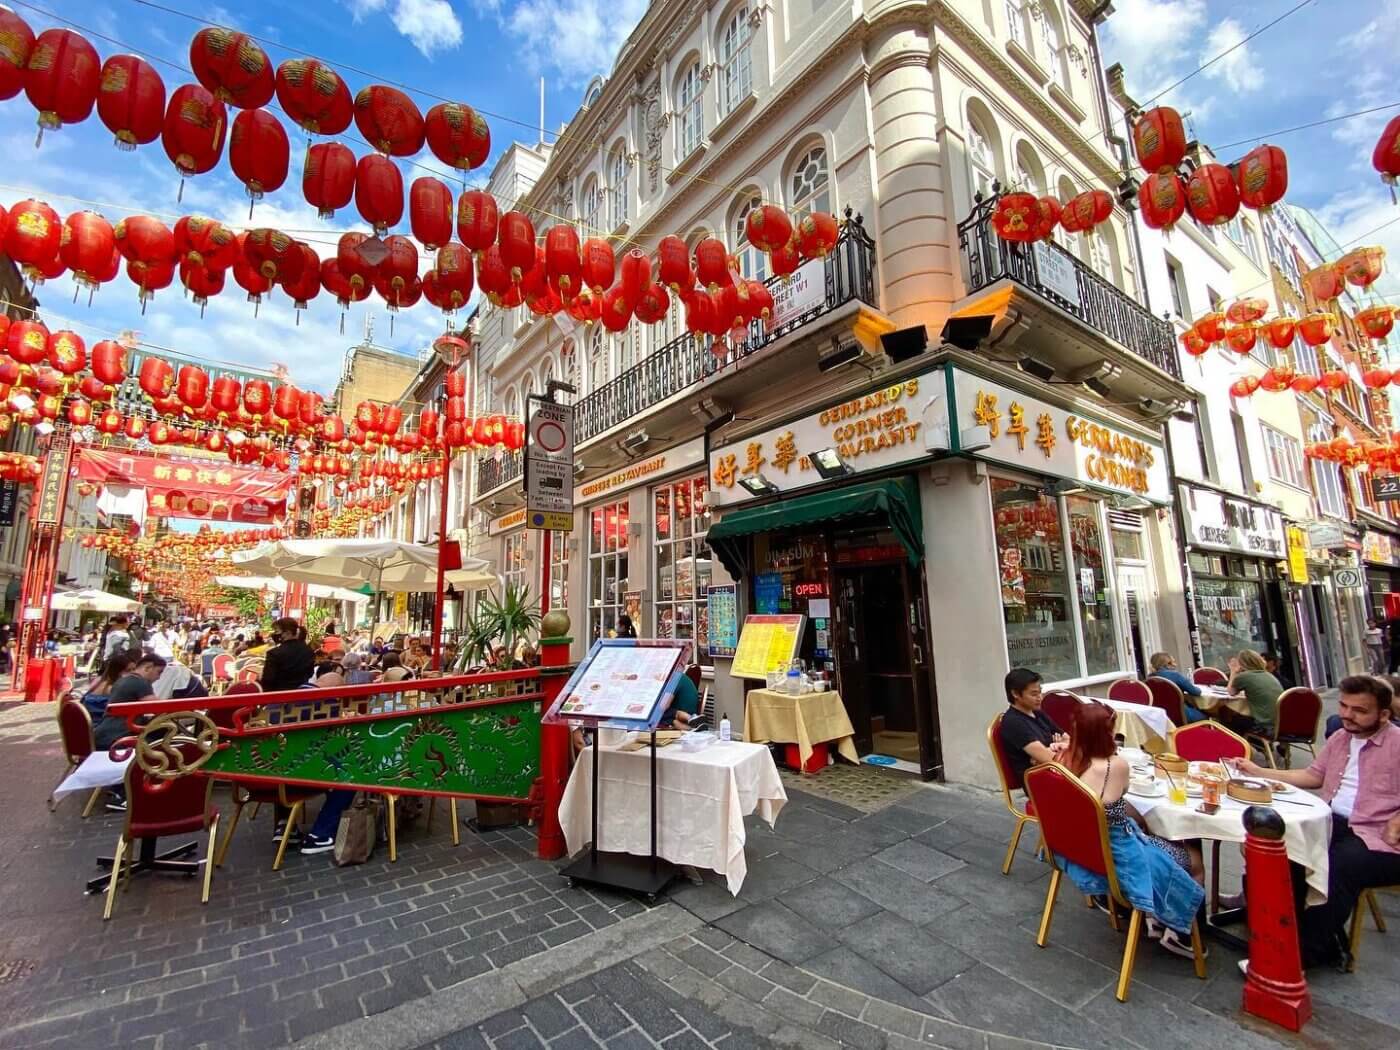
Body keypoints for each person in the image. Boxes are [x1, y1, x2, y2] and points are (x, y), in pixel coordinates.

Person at [1233, 675, 1400, 971]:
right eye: (1345, 707)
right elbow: (1313, 776)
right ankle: (1277, 929)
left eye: (1359, 711)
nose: (1347, 715)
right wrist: (1259, 772)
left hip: (1379, 837)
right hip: (1331, 820)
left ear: (1384, 714)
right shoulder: (1340, 738)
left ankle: (1303, 954)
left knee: (1339, 864)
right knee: (1284, 845)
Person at [1060, 702, 1206, 958]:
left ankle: (1156, 916)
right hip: (1119, 858)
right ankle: (1181, 934)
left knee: (1149, 829)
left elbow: (1111, 807)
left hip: (1082, 850)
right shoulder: (1114, 766)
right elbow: (1122, 795)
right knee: (1193, 858)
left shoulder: (1065, 760)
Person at [996, 667, 1067, 785]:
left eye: (1040, 692)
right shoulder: (1013, 723)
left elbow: (1068, 739)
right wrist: (1057, 749)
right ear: (1015, 694)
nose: (1040, 697)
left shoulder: (1037, 712)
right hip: (1040, 783)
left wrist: (1059, 747)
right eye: (1034, 694)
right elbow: (1051, 759)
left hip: (1058, 771)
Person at [92, 655, 167, 752]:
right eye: (159, 672)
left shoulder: (122, 680)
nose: (159, 678)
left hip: (103, 735)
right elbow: (161, 708)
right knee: (166, 738)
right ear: (148, 668)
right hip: (118, 738)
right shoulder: (140, 683)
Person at [1218, 649, 1282, 738]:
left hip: (1264, 724)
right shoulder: (1269, 675)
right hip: (1279, 723)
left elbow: (1231, 692)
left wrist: (1234, 671)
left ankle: (1245, 750)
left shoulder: (1244, 676)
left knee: (1228, 721)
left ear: (1242, 663)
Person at [1147, 652, 1207, 723]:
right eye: (1174, 662)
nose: (1176, 664)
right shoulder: (1175, 675)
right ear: (1168, 664)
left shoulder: (1150, 678)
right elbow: (1196, 692)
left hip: (1161, 716)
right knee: (1209, 713)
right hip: (1181, 714)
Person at [261, 617, 316, 692]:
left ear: (287, 632)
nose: (274, 634)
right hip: (302, 696)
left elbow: (268, 680)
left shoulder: (274, 653)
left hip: (278, 698)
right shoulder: (309, 651)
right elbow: (310, 673)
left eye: (277, 631)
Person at [80, 653, 135, 721]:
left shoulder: (99, 681)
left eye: (134, 669)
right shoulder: (114, 688)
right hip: (100, 726)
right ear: (117, 671)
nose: (133, 673)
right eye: (128, 670)